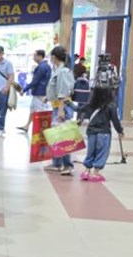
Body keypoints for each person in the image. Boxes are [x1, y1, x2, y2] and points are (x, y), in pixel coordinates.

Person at [77, 86, 125, 182]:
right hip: (104, 133)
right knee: (102, 152)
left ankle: (86, 172)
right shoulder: (111, 105)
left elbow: (78, 109)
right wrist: (120, 131)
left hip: (91, 132)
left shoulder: (91, 105)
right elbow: (115, 120)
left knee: (90, 152)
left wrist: (67, 102)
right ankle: (95, 174)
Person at [45, 45, 76, 175]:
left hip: (61, 107)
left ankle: (67, 165)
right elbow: (57, 89)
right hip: (58, 105)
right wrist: (48, 98)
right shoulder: (60, 70)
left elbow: (63, 92)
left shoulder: (63, 72)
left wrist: (61, 110)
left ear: (54, 57)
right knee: (57, 136)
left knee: (63, 136)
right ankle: (57, 163)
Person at [18, 49, 52, 132]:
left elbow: (35, 81)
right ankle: (27, 125)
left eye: (35, 56)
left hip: (40, 92)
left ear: (40, 56)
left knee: (38, 111)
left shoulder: (42, 67)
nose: (33, 57)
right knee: (33, 109)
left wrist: (24, 90)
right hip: (40, 92)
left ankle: (41, 129)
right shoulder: (45, 66)